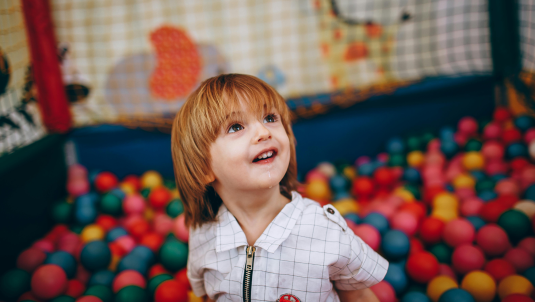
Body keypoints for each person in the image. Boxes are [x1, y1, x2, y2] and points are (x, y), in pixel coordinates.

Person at [171, 74, 388, 301]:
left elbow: (360, 297)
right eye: (236, 126)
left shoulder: (323, 230)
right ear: (204, 168)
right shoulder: (204, 237)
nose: (264, 132)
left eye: (269, 118)